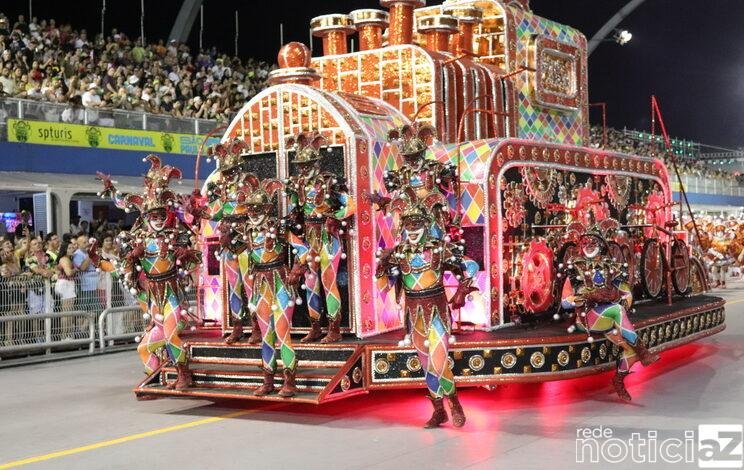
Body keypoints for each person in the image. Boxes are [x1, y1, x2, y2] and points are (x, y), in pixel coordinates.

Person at [375, 190, 478, 428]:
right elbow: (383, 286)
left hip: (437, 312)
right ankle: (439, 410)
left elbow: (471, 265)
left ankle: (455, 404)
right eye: (408, 224)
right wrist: (381, 267)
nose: (412, 229)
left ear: (426, 224)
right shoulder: (399, 252)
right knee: (426, 364)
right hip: (413, 314)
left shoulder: (440, 248)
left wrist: (463, 289)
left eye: (417, 224)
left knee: (439, 363)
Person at [98, 155, 201, 389]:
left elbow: (196, 259)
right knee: (144, 347)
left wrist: (184, 254)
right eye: (153, 217)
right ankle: (158, 377)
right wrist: (129, 257)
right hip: (153, 298)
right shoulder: (139, 241)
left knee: (170, 335)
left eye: (161, 216)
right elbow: (123, 268)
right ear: (146, 218)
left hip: (172, 296)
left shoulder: (175, 237)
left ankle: (183, 374)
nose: (158, 220)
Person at [561, 231, 659, 402]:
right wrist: (585, 297)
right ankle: (643, 351)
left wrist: (618, 297)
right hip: (587, 317)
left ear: (600, 246)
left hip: (609, 317)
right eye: (585, 243)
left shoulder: (610, 268)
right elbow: (564, 303)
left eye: (593, 243)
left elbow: (626, 293)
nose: (588, 246)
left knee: (630, 350)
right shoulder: (575, 269)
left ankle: (619, 380)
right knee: (617, 311)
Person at [284, 132, 355, 343]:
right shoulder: (297, 184)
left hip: (327, 237)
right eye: (300, 166)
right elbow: (294, 210)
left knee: (328, 281)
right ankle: (315, 327)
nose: (303, 169)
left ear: (316, 162)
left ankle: (334, 329)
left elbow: (351, 205)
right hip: (309, 236)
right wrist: (291, 225)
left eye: (307, 165)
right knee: (310, 281)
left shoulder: (328, 181)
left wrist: (334, 217)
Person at [236, 173, 299, 397]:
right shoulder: (246, 231)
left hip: (280, 283)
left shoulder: (279, 229)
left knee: (282, 334)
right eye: (250, 209)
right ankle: (268, 380)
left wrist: (297, 269)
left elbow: (302, 249)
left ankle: (289, 382)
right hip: (260, 286)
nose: (253, 213)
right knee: (266, 336)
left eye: (257, 209)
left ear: (267, 209)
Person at [204, 139, 262, 344]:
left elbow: (256, 211)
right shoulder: (221, 188)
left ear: (238, 168)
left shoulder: (249, 185)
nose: (227, 175)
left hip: (246, 241)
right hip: (228, 244)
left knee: (250, 286)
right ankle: (237, 327)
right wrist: (199, 211)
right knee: (233, 287)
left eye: (230, 171)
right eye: (225, 171)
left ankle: (257, 327)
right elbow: (215, 213)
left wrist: (236, 229)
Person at [54, 239, 78, 339]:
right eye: (69, 248)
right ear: (65, 249)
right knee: (67, 312)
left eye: (73, 247)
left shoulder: (67, 259)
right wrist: (75, 269)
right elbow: (68, 273)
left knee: (68, 311)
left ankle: (67, 335)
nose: (72, 249)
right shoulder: (64, 259)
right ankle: (64, 336)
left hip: (67, 284)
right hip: (66, 284)